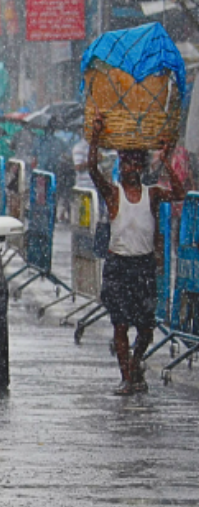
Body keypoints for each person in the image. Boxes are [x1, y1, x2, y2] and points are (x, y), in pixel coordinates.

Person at [88, 115, 187, 394]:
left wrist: (166, 160)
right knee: (120, 325)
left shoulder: (152, 194)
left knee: (146, 328)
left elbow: (179, 193)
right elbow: (94, 169)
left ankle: (135, 362)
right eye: (126, 163)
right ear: (121, 166)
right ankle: (126, 377)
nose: (131, 168)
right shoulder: (113, 193)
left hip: (143, 267)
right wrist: (95, 137)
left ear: (141, 168)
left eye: (135, 164)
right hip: (118, 266)